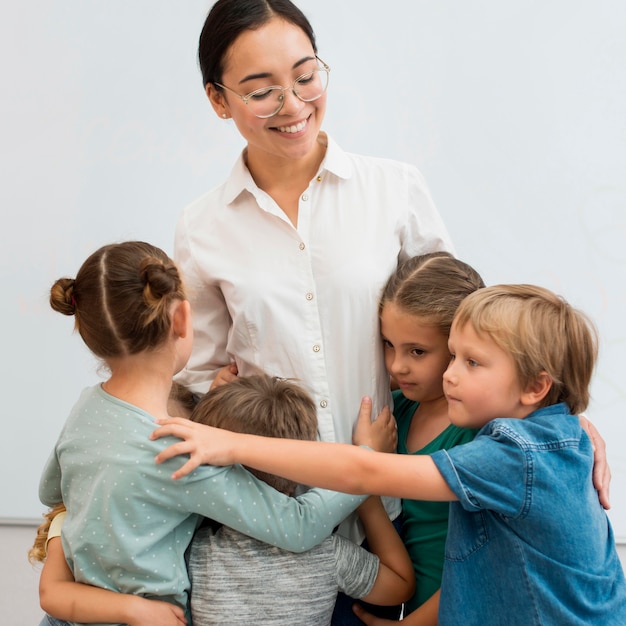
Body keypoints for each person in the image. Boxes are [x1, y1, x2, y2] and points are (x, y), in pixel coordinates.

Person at [153, 284, 626, 625]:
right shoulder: (547, 442)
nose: (450, 375)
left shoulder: (518, 459)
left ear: (536, 386)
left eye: (472, 363)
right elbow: (482, 568)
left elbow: (364, 469)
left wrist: (231, 443)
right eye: (453, 356)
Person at [38, 241, 391, 625]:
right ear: (182, 319)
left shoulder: (86, 408)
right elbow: (297, 526)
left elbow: (51, 491)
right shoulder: (177, 452)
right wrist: (367, 458)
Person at [187, 374, 414, 625]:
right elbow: (400, 587)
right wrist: (364, 486)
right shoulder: (326, 553)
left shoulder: (195, 551)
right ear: (299, 469)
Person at [352, 252, 484, 626]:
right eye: (388, 344)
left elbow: (484, 563)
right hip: (405, 601)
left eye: (417, 351)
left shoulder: (479, 431)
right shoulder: (395, 410)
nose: (396, 365)